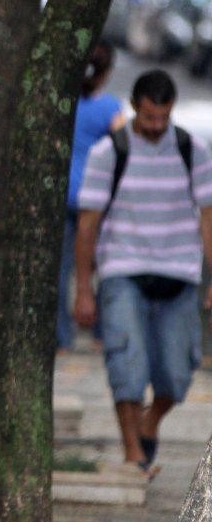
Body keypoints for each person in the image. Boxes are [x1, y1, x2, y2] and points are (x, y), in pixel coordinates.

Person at [74, 70, 212, 475]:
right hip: (123, 268)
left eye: (162, 118)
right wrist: (84, 287)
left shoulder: (192, 149)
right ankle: (133, 453)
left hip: (179, 270)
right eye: (148, 118)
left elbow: (208, 217)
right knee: (126, 361)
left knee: (177, 371)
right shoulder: (109, 152)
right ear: (135, 106)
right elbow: (87, 223)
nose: (155, 126)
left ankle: (150, 422)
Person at [57, 40, 125, 351]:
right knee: (105, 264)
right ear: (106, 72)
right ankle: (101, 334)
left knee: (61, 269)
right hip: (97, 199)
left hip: (62, 193)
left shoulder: (62, 102)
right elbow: (126, 149)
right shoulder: (110, 108)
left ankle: (61, 336)